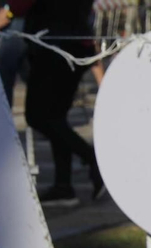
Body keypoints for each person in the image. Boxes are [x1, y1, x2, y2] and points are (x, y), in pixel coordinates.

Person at [20, 0, 104, 206]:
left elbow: (18, 5)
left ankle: (93, 160)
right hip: (72, 43)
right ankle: (63, 186)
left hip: (54, 46)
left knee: (38, 116)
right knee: (55, 118)